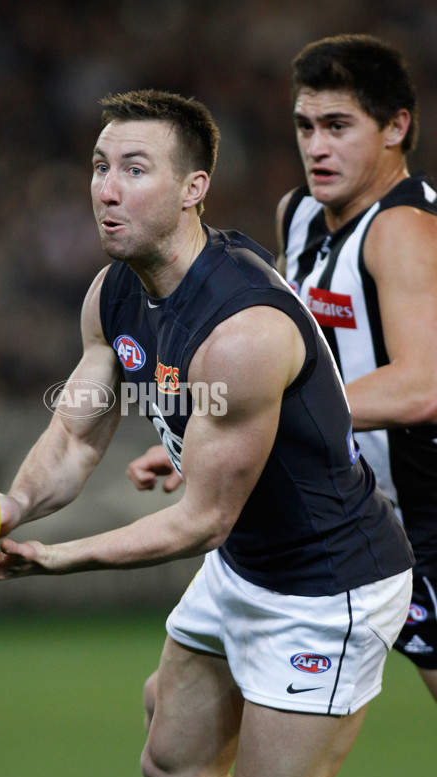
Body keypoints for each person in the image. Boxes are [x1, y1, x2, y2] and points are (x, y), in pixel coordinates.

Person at [0, 88, 414, 777]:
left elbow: (205, 518)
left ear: (193, 188)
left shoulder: (241, 332)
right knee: (171, 768)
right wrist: (13, 505)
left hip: (328, 586)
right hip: (246, 567)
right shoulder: (114, 293)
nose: (106, 191)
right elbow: (76, 433)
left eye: (135, 171)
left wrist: (54, 557)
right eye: (99, 166)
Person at [129, 35, 437, 723]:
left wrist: (256, 420)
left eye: (338, 126)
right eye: (305, 126)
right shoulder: (298, 215)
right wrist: (218, 434)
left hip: (425, 514)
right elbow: (282, 353)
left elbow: (423, 387)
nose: (316, 146)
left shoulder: (403, 230)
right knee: (170, 719)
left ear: (397, 128)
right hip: (343, 507)